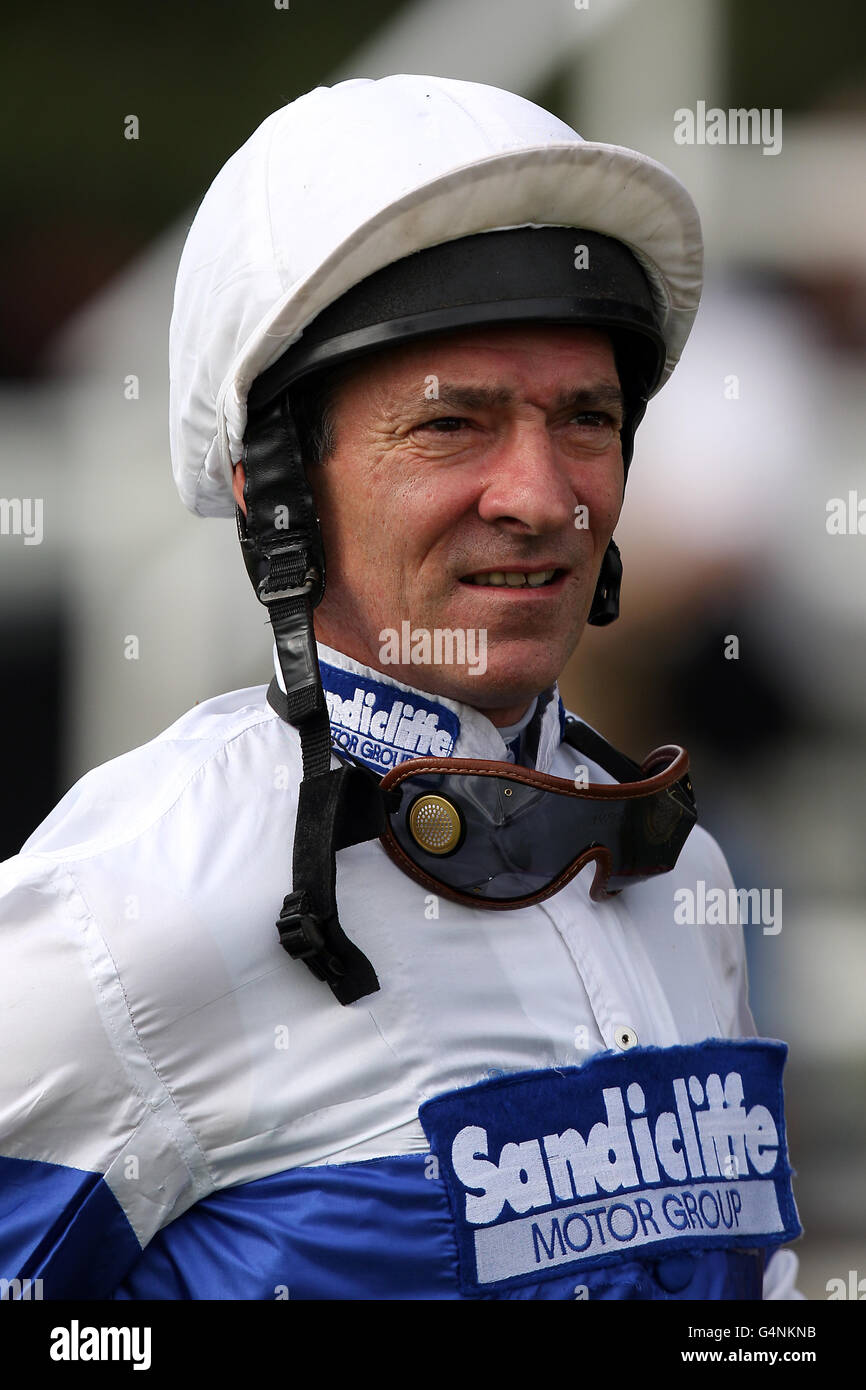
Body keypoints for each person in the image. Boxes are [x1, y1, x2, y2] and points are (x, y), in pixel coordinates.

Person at [0, 74, 803, 1301]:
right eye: (451, 427)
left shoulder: (676, 873)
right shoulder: (127, 916)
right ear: (274, 489)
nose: (540, 495)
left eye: (584, 417)